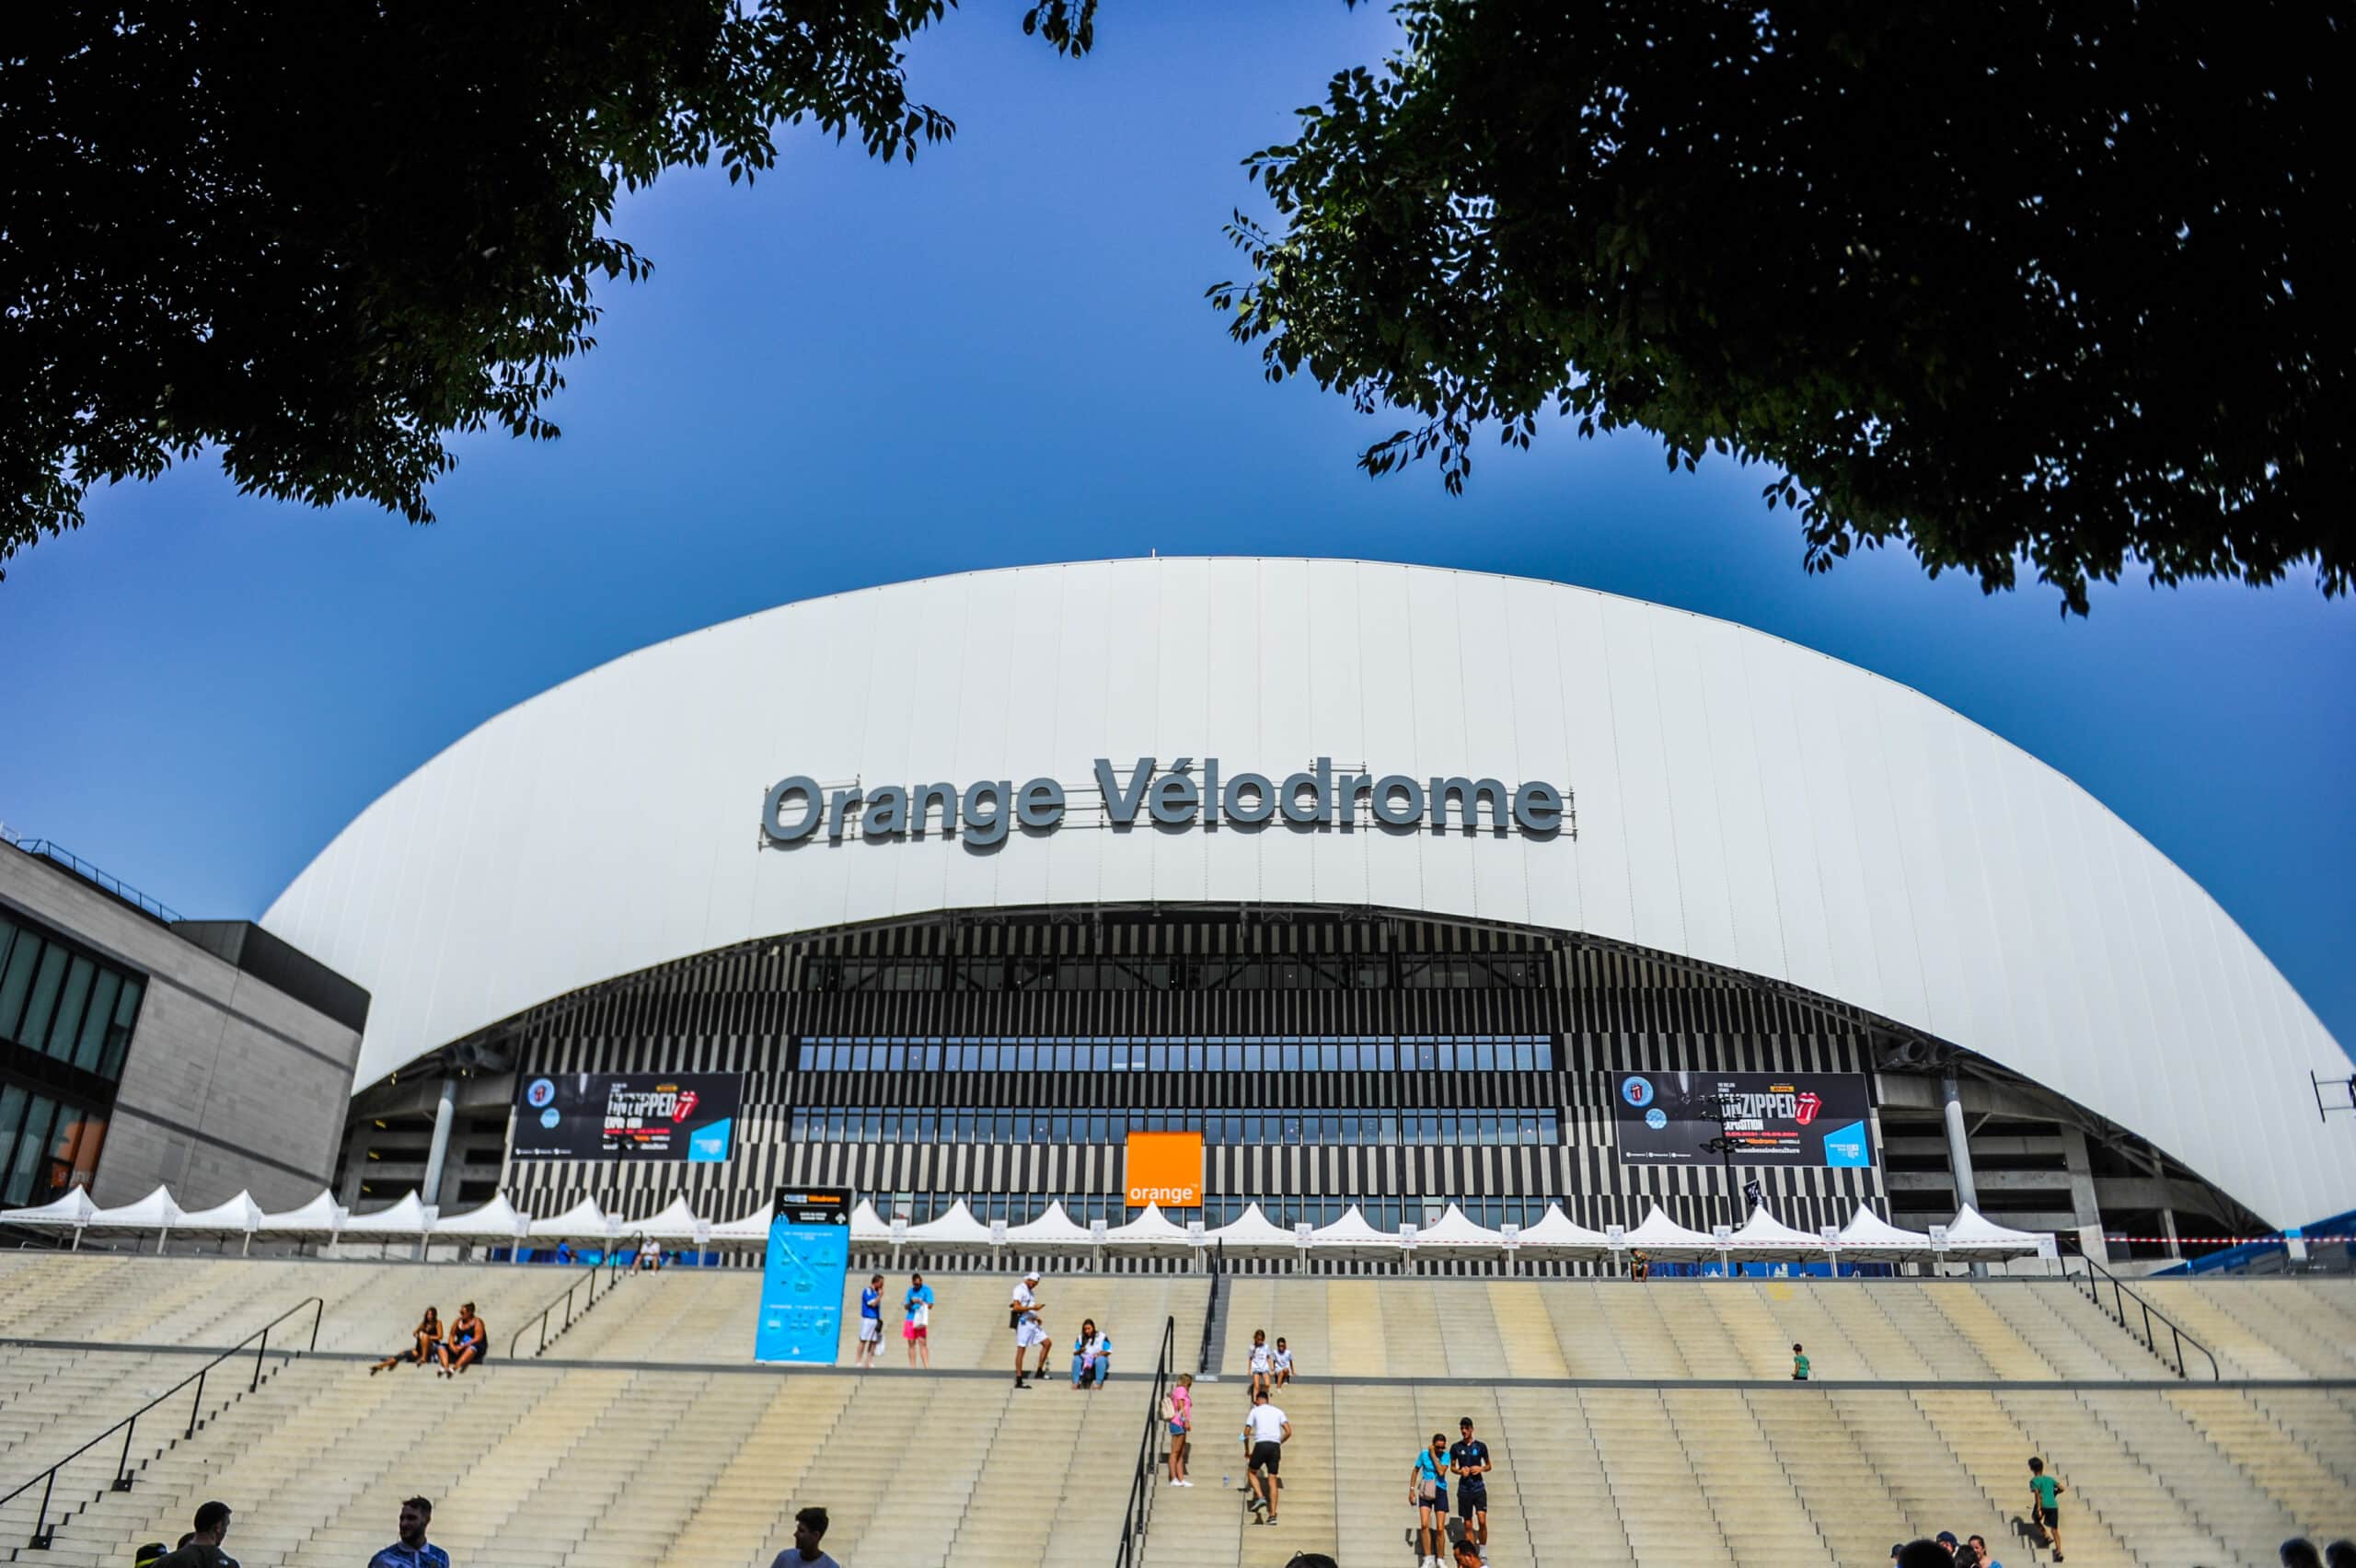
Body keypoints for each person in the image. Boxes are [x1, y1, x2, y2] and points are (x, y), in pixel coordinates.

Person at [1244, 1387, 1290, 1527]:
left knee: (1251, 1472)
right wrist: (1278, 1442)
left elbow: (1245, 1433)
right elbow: (1289, 1431)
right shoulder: (1278, 1411)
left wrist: (1247, 1449)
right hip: (1275, 1446)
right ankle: (1272, 1516)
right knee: (1272, 1480)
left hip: (1261, 1444)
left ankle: (1260, 1496)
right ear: (1268, 1400)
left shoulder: (1255, 1411)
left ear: (1258, 1401)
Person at [1449, 1416, 1491, 1566]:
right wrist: (1460, 1471)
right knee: (1467, 1524)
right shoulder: (1456, 1447)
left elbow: (1489, 1465)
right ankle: (1473, 1555)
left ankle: (1483, 1552)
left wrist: (1480, 1468)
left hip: (1478, 1487)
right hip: (1464, 1489)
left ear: (1472, 1429)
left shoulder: (1480, 1446)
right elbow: (1452, 1467)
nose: (1464, 1431)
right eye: (1462, 1428)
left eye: (1466, 1428)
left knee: (1481, 1520)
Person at [364, 1496, 448, 1568]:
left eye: (411, 1518)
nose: (403, 1524)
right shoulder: (384, 1559)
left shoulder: (440, 1556)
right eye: (402, 1518)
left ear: (426, 1520)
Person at [149, 1502, 237, 1568]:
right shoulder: (229, 1565)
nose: (225, 1532)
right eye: (226, 1526)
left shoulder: (165, 1562)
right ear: (218, 1527)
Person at [1411, 1433, 1449, 1568]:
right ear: (1433, 1444)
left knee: (1440, 1528)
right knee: (1424, 1524)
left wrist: (1433, 1454)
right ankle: (1428, 1557)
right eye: (1437, 1447)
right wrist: (1411, 1490)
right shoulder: (1423, 1454)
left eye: (1442, 1448)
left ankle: (1440, 1557)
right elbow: (1415, 1470)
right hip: (1426, 1490)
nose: (1440, 1450)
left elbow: (1441, 1472)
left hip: (1440, 1491)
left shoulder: (1445, 1456)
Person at [372, 1308, 442, 1374]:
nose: (429, 1316)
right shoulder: (423, 1324)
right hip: (420, 1348)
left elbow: (440, 1336)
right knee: (402, 1353)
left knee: (425, 1336)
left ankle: (424, 1358)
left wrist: (427, 1337)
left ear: (434, 1315)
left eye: (431, 1314)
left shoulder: (438, 1323)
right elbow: (415, 1332)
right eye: (428, 1314)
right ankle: (382, 1365)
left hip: (432, 1347)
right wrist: (417, 1335)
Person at [1011, 1271, 1050, 1389]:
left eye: (1036, 1283)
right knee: (1021, 1349)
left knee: (1047, 1343)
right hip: (1023, 1323)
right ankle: (1019, 1380)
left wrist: (1035, 1316)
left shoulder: (1030, 1291)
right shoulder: (1019, 1289)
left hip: (1032, 1321)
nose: (1034, 1285)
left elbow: (1028, 1308)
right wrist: (1033, 1307)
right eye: (1033, 1282)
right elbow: (1016, 1307)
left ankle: (1039, 1371)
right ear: (1028, 1279)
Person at [768, 1505, 840, 1568]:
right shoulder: (784, 1558)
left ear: (815, 1535)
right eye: (797, 1529)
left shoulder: (831, 1566)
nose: (795, 1534)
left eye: (801, 1531)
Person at [2027, 1455, 2065, 1562]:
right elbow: (2062, 1488)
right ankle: (2059, 1551)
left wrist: (2039, 1508)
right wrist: (2054, 1493)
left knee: (2035, 1519)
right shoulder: (2049, 1479)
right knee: (2055, 1529)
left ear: (2032, 1469)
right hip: (2053, 1505)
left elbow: (2037, 1494)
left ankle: (2046, 1536)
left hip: (2043, 1504)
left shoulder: (2034, 1481)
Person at [437, 1303, 487, 1377]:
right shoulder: (458, 1321)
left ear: (469, 1313)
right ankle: (445, 1366)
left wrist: (463, 1346)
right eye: (460, 1312)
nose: (461, 1314)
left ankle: (454, 1368)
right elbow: (451, 1335)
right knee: (441, 1347)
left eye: (463, 1312)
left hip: (474, 1346)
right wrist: (452, 1346)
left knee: (472, 1348)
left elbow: (478, 1338)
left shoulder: (477, 1322)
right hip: (459, 1345)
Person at [1163, 1372, 1194, 1486]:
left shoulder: (1178, 1390)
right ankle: (1173, 1478)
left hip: (1179, 1423)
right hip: (1178, 1422)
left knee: (1181, 1453)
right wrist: (1186, 1421)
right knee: (1175, 1452)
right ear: (1186, 1383)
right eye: (1190, 1384)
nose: (1190, 1386)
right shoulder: (1181, 1390)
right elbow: (1181, 1405)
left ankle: (1181, 1479)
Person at [854, 1274, 884, 1370]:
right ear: (876, 1282)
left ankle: (869, 1361)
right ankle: (858, 1361)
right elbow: (873, 1304)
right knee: (863, 1340)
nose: (882, 1285)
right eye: (881, 1282)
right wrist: (880, 1296)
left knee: (874, 1342)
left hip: (875, 1319)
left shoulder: (876, 1292)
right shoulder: (868, 1291)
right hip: (867, 1319)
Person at [1247, 1329, 1274, 1397]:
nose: (1260, 1341)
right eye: (1258, 1339)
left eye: (1262, 1340)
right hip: (1256, 1368)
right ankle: (1256, 1401)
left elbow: (1268, 1357)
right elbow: (1250, 1358)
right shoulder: (1252, 1347)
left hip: (1264, 1367)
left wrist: (1271, 1367)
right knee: (1256, 1386)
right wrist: (1249, 1370)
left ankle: (1263, 1395)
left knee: (1267, 1384)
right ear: (1255, 1338)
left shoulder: (1266, 1346)